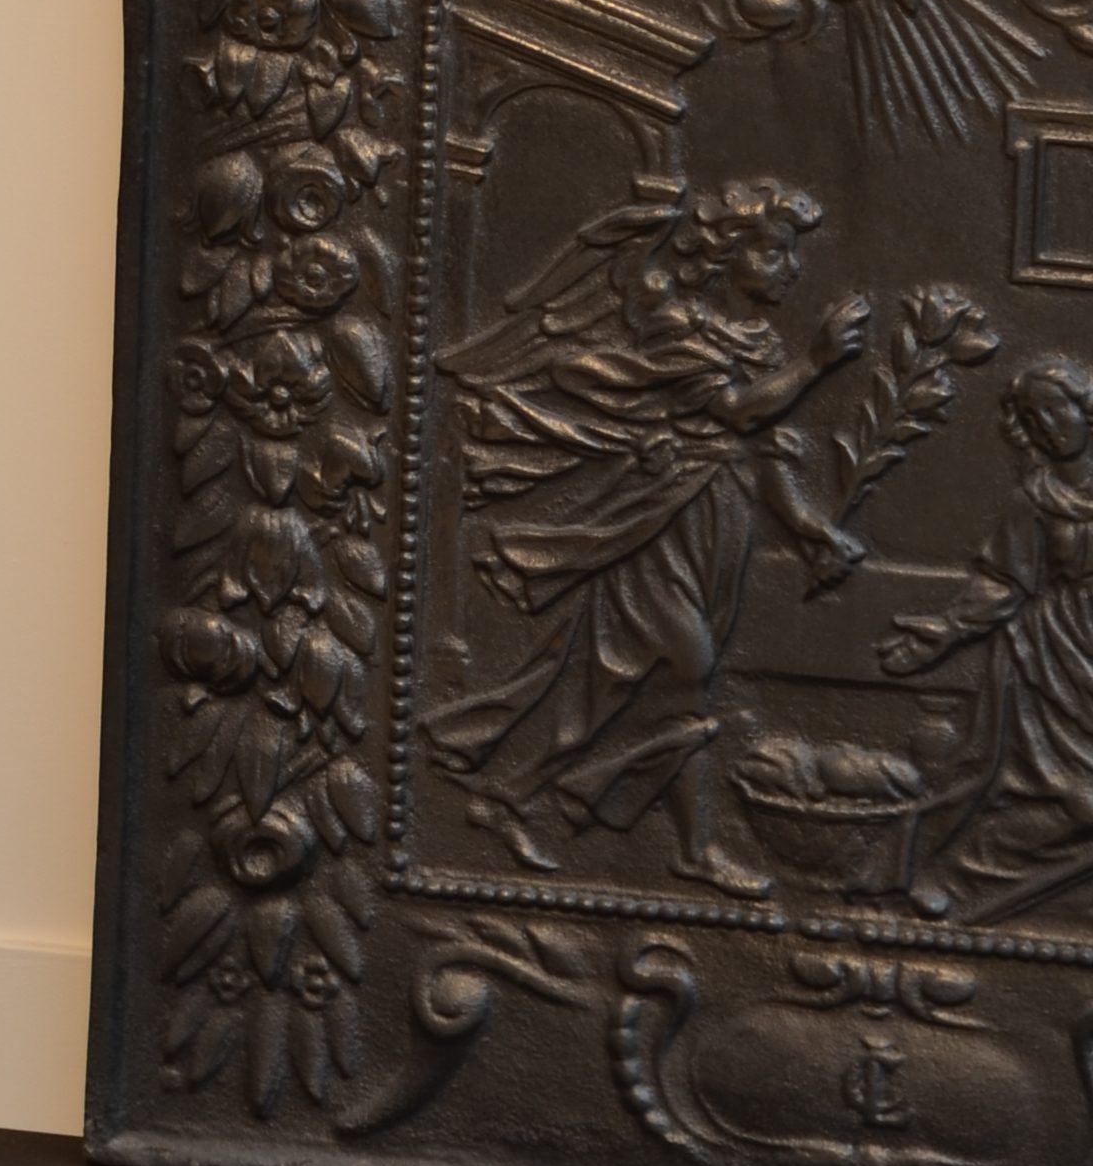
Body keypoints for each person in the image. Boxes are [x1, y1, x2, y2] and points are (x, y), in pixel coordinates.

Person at [425, 179, 871, 893]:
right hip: (654, 526)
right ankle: (559, 804)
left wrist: (809, 529)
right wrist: (816, 363)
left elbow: (764, 451)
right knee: (681, 669)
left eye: (792, 254)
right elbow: (736, 412)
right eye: (773, 252)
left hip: (720, 527)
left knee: (648, 688)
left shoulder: (762, 344)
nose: (791, 269)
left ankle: (539, 803)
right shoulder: (678, 328)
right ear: (724, 257)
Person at [883, 353, 1093, 917]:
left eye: (1057, 408)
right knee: (1055, 795)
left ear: (1085, 408)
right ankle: (955, 878)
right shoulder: (1035, 501)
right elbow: (1003, 582)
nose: (1048, 424)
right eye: (1033, 415)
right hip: (1054, 659)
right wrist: (945, 629)